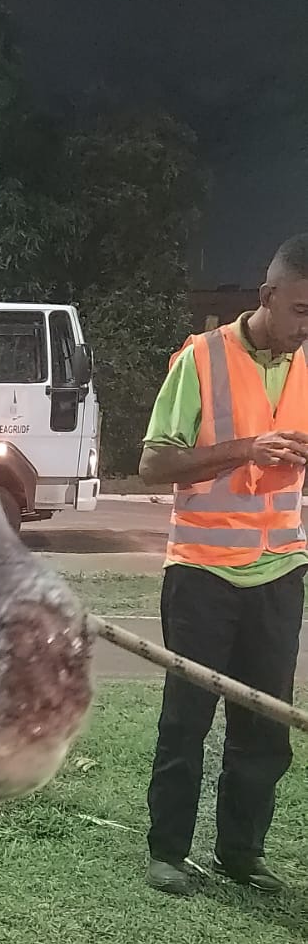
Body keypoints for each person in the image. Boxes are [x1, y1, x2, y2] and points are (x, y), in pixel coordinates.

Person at [140, 234, 308, 896]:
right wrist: (245, 448)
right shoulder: (201, 359)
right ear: (267, 295)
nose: (305, 326)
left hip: (280, 572)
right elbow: (154, 464)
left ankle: (241, 853)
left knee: (264, 727)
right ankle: (167, 852)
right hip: (202, 572)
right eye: (300, 310)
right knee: (187, 720)